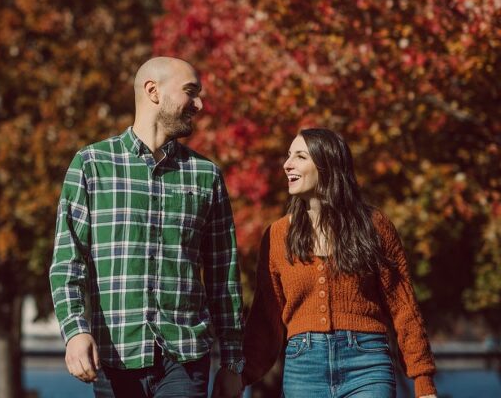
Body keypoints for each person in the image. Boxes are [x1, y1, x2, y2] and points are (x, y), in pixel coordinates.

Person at [49, 57, 245, 398]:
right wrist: (76, 331)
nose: (199, 104)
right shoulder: (92, 164)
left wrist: (232, 364)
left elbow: (223, 278)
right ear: (153, 91)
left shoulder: (206, 175)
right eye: (190, 92)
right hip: (114, 358)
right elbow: (68, 263)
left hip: (185, 357)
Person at [241, 127, 438, 398]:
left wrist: (423, 380)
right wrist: (241, 374)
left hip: (367, 363)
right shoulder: (277, 236)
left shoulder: (374, 226)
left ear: (327, 164)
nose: (287, 165)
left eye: (300, 156)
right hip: (304, 368)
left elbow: (403, 307)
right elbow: (265, 317)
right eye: (288, 156)